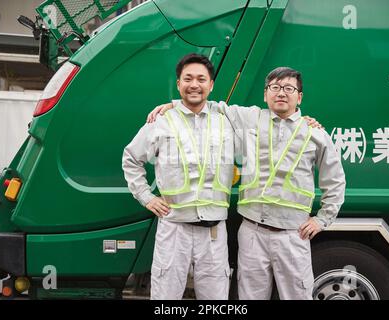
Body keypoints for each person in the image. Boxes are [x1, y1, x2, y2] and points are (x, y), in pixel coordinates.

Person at [148, 67, 346, 300]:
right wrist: (174, 105)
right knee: (250, 296)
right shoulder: (250, 117)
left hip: (293, 234)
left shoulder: (314, 133)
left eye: (289, 88)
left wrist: (322, 219)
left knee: (298, 296)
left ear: (299, 97)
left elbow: (335, 181)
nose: (281, 93)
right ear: (265, 94)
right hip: (252, 231)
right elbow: (211, 105)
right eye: (275, 87)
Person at [122, 53, 235, 300]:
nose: (194, 84)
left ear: (211, 84)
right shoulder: (161, 121)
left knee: (215, 300)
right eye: (188, 79)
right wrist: (146, 197)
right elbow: (131, 158)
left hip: (214, 232)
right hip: (174, 228)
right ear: (178, 83)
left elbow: (268, 118)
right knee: (165, 298)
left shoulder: (226, 122)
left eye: (201, 79)